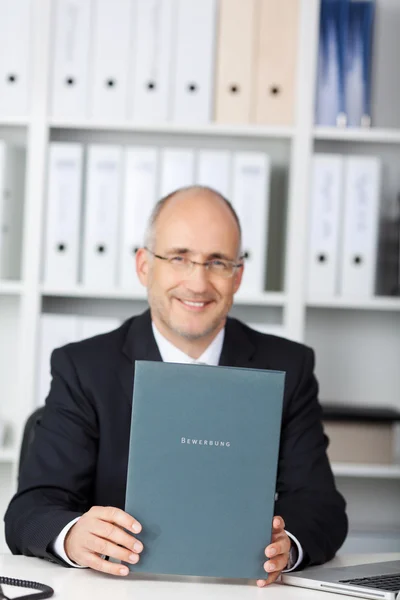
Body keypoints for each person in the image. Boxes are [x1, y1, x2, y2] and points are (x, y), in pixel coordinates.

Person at [4, 186, 348, 587]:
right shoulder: (83, 368)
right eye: (180, 258)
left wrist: (285, 545)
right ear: (144, 266)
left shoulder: (290, 367)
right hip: (119, 590)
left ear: (237, 276)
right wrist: (73, 535)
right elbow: (30, 510)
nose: (198, 283)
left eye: (217, 262)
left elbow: (322, 508)